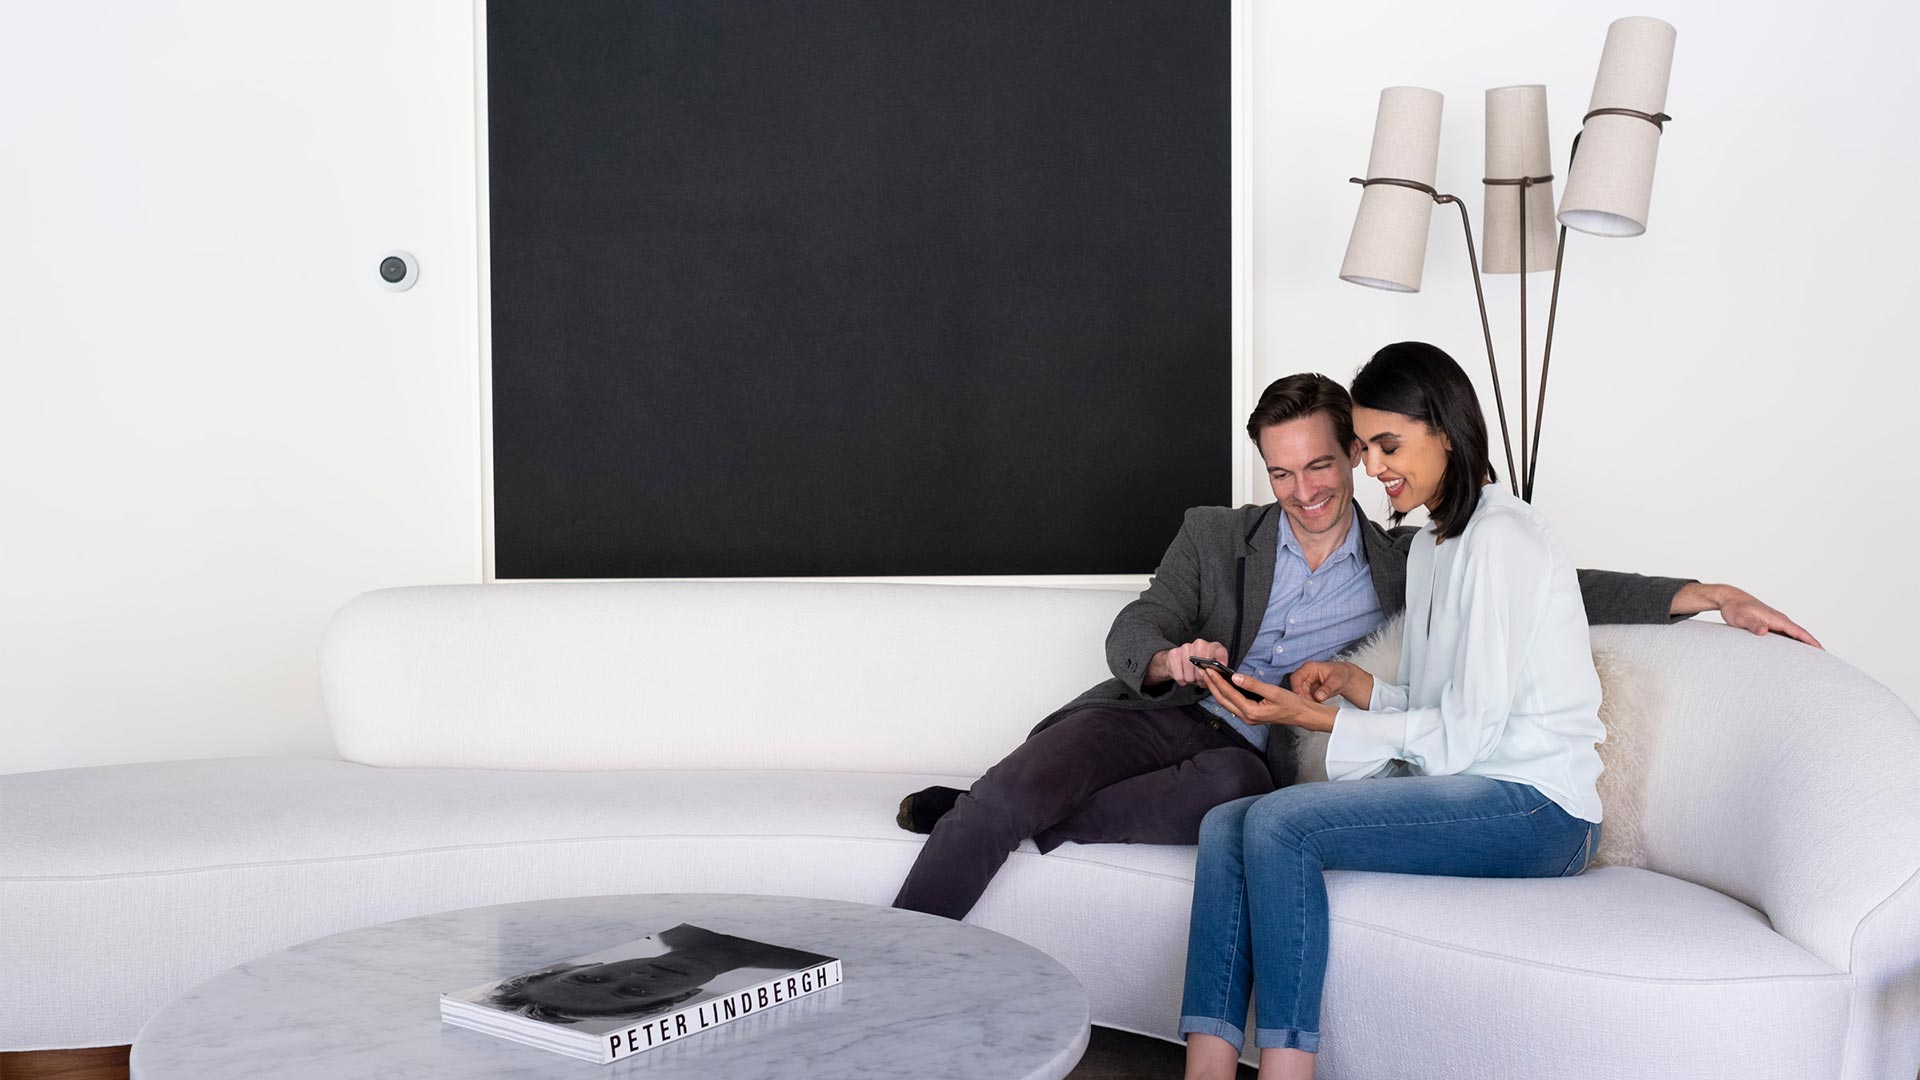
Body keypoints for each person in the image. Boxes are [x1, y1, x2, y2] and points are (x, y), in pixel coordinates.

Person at [889, 368, 1819, 922]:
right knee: (1027, 778)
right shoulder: (1215, 533)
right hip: (1164, 712)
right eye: (1282, 473)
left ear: (1360, 454)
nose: (1304, 491)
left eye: (1323, 465)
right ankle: (904, 960)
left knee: (1221, 800)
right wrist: (1171, 662)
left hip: (1253, 754)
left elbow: (1557, 582)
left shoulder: (1409, 556)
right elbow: (1137, 624)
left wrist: (1698, 595)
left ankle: (994, 819)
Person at [1177, 341, 1654, 1079]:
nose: (1372, 467)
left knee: (1280, 821)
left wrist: (1325, 724)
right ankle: (1206, 1068)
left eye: (1387, 445)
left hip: (1539, 810)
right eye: (1366, 447)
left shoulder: (1502, 539)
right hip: (1478, 782)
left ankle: (1285, 1069)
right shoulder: (1436, 544)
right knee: (1226, 823)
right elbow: (1443, 704)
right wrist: (1351, 685)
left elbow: (1467, 735)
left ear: (1445, 429)